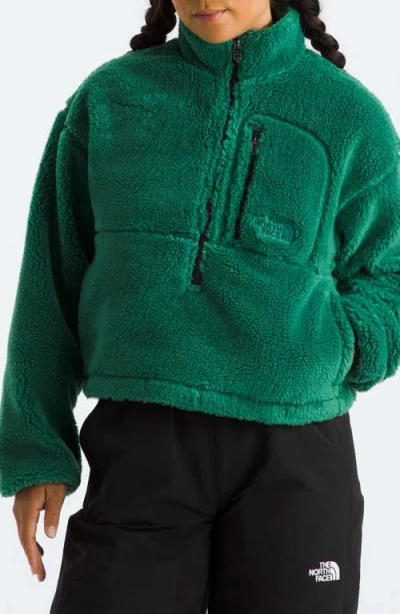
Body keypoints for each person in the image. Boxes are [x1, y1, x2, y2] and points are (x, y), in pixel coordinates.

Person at [0, 0, 399, 611]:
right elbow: (50, 279)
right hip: (142, 440)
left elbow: (390, 274)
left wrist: (340, 346)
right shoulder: (110, 100)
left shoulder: (348, 117)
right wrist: (38, 449)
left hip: (295, 447)